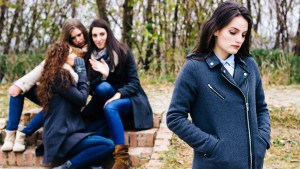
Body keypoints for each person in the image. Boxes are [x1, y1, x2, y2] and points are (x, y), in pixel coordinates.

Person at [166, 1, 271, 169]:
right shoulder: (194, 68)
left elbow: (261, 108)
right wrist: (212, 147)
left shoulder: (250, 65)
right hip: (214, 163)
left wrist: (262, 139)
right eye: (233, 32)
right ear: (216, 29)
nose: (239, 40)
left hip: (253, 163)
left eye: (243, 35)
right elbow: (175, 117)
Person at [1, 19, 89, 152]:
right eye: (73, 37)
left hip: (72, 98)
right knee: (18, 87)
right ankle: (11, 132)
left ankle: (23, 133)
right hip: (57, 93)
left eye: (79, 34)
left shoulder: (90, 52)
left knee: (56, 102)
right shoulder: (64, 50)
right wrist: (20, 85)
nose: (78, 39)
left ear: (84, 31)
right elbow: (43, 67)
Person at [83, 19, 153, 169]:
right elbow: (91, 89)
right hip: (105, 101)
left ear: (108, 33)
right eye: (94, 35)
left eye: (102, 34)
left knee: (110, 107)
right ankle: (94, 162)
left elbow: (134, 83)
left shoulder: (122, 51)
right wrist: (103, 76)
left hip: (130, 99)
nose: (98, 39)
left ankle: (122, 158)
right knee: (103, 91)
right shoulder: (90, 58)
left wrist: (118, 94)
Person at [36, 42, 114, 168]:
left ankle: (92, 165)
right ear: (62, 57)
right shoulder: (59, 76)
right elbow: (82, 99)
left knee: (102, 123)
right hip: (61, 136)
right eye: (71, 53)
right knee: (108, 145)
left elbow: (84, 89)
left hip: (69, 130)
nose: (75, 56)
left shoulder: (64, 75)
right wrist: (82, 71)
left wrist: (103, 76)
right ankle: (66, 167)